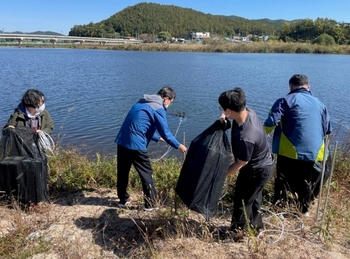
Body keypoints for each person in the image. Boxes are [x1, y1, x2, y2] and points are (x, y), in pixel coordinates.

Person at [264, 74, 331, 216]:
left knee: (282, 178)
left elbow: (270, 123)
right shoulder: (321, 104)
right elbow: (328, 130)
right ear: (308, 87)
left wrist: (258, 136)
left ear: (291, 87)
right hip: (316, 152)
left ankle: (279, 208)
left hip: (290, 150)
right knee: (305, 179)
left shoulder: (285, 100)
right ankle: (304, 210)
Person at [115, 86, 187, 211]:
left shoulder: (141, 102)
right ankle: (151, 205)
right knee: (147, 174)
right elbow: (165, 131)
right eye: (171, 102)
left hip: (122, 141)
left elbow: (140, 126)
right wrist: (178, 145)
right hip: (135, 145)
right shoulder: (158, 107)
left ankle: (123, 200)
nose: (170, 104)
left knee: (122, 172)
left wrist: (158, 138)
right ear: (166, 99)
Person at [219, 87, 274, 232]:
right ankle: (256, 228)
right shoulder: (248, 111)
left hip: (256, 170)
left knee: (242, 201)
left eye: (223, 109)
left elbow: (240, 164)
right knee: (253, 198)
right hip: (264, 164)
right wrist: (224, 118)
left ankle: (238, 233)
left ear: (229, 110)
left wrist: (220, 175)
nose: (222, 110)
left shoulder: (245, 137)